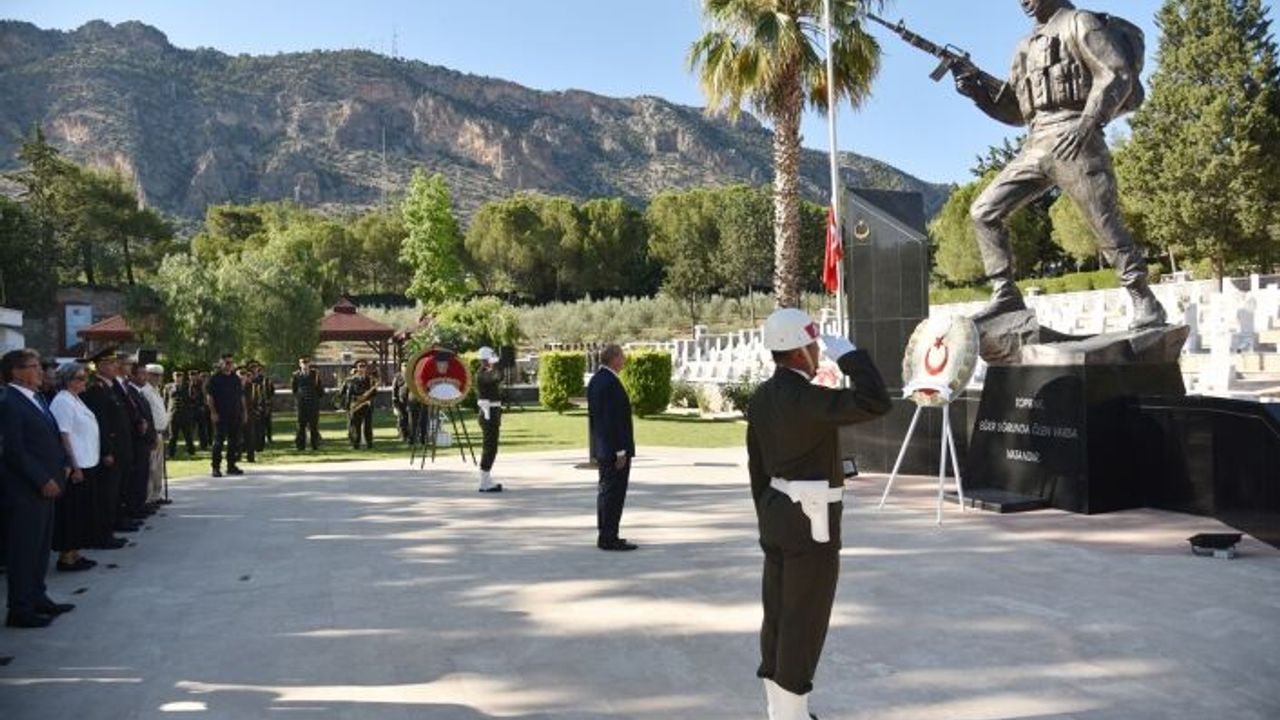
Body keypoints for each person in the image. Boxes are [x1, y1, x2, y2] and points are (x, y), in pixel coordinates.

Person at [955, 0, 1165, 328]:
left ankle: (1143, 298)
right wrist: (977, 93)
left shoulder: (1080, 22)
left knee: (1104, 223)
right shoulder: (1024, 46)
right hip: (1036, 144)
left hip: (1077, 137)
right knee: (984, 211)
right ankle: (1005, 294)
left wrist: (1087, 124)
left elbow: (1116, 73)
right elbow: (1018, 111)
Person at [746, 309, 891, 720]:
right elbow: (875, 401)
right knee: (804, 622)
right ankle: (791, 715)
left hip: (776, 515)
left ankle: (779, 710)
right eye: (812, 346)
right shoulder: (808, 400)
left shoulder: (761, 397)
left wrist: (768, 514)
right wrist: (852, 359)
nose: (817, 353)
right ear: (798, 352)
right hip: (812, 524)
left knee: (777, 615)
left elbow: (757, 465)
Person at [0, 349, 73, 628]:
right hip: (26, 490)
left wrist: (64, 462)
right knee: (23, 550)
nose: (41, 371)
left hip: (46, 487)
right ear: (16, 372)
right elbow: (14, 451)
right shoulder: (8, 401)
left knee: (40, 548)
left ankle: (37, 596)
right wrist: (42, 478)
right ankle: (19, 608)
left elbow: (49, 438)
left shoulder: (37, 397)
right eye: (34, 366)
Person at [48, 362, 99, 573]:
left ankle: (75, 552)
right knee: (71, 512)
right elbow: (64, 436)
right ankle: (66, 557)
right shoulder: (62, 402)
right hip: (76, 465)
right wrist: (74, 465)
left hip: (88, 461)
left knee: (81, 512)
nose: (83, 381)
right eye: (79, 378)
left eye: (84, 377)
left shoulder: (75, 399)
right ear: (67, 381)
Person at [78, 348, 131, 549]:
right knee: (106, 495)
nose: (114, 366)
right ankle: (102, 535)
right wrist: (106, 451)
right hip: (110, 451)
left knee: (114, 493)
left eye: (114, 363)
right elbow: (102, 423)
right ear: (99, 366)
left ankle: (108, 531)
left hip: (118, 449)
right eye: (109, 363)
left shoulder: (108, 387)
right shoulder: (97, 389)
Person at [586, 344, 636, 551]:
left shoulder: (598, 379)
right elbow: (611, 420)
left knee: (606, 492)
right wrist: (620, 451)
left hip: (604, 447)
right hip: (614, 450)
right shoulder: (609, 383)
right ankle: (608, 538)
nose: (624, 360)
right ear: (614, 358)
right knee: (613, 493)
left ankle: (607, 533)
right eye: (622, 357)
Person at [122, 359, 157, 521]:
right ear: (133, 376)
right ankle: (134, 508)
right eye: (141, 374)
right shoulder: (130, 392)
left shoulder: (139, 393)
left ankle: (140, 505)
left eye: (146, 373)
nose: (145, 377)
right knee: (137, 477)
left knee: (143, 475)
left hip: (145, 441)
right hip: (137, 441)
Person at [206, 353, 246, 477]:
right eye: (227, 363)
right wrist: (213, 412)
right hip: (220, 415)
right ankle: (216, 467)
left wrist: (244, 412)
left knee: (234, 441)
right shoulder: (215, 379)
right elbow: (209, 397)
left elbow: (241, 396)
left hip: (234, 414)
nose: (230, 365)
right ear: (221, 364)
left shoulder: (235, 379)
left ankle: (231, 466)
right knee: (219, 442)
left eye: (231, 363)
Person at [474, 347, 505, 493]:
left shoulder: (486, 373)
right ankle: (484, 481)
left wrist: (497, 364)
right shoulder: (482, 374)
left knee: (491, 447)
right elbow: (497, 376)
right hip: (488, 414)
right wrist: (498, 364)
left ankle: (486, 478)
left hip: (492, 412)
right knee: (490, 447)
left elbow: (498, 376)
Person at [141, 364, 169, 508]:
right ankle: (148, 498)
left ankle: (156, 495)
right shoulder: (145, 391)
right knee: (151, 467)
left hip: (160, 432)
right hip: (153, 433)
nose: (158, 378)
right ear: (148, 375)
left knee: (158, 468)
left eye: (159, 375)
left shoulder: (157, 391)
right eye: (154, 375)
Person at [342, 360, 377, 449]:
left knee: (368, 426)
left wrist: (368, 400)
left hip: (367, 405)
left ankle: (369, 444)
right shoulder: (353, 380)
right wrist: (349, 405)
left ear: (366, 368)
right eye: (360, 366)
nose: (361, 368)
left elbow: (374, 393)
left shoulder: (370, 380)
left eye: (363, 366)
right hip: (356, 405)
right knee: (355, 426)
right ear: (357, 368)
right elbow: (350, 393)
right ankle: (356, 444)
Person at [291, 357, 324, 451]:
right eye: (303, 363)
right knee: (301, 425)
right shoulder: (296, 375)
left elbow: (320, 389)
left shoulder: (315, 375)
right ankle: (301, 446)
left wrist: (316, 399)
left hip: (313, 403)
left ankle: (315, 445)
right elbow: (294, 390)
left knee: (314, 425)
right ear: (300, 364)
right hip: (301, 404)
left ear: (309, 364)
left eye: (307, 363)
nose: (305, 365)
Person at [165, 370, 196, 458]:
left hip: (185, 414)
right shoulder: (168, 387)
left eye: (180, 377)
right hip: (173, 414)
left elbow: (192, 399)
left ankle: (191, 451)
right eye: (176, 376)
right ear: (173, 377)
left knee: (188, 435)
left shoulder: (188, 386)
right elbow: (166, 400)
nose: (178, 378)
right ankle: (171, 453)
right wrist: (166, 413)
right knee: (172, 436)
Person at [192, 370, 211, 450]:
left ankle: (205, 444)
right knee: (198, 427)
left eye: (205, 377)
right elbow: (195, 397)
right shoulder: (196, 386)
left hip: (207, 408)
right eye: (202, 377)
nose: (204, 379)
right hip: (197, 408)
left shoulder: (209, 386)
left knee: (206, 427)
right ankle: (196, 443)